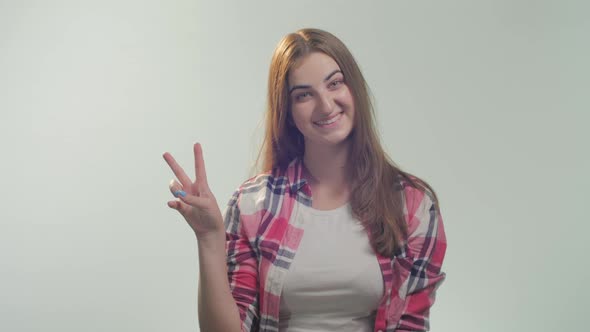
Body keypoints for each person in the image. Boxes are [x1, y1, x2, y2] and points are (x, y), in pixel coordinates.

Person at [163, 28, 446, 332]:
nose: (325, 105)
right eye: (304, 95)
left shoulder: (412, 205)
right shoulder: (252, 205)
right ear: (287, 112)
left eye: (335, 83)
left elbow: (411, 326)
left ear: (355, 89)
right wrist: (209, 239)